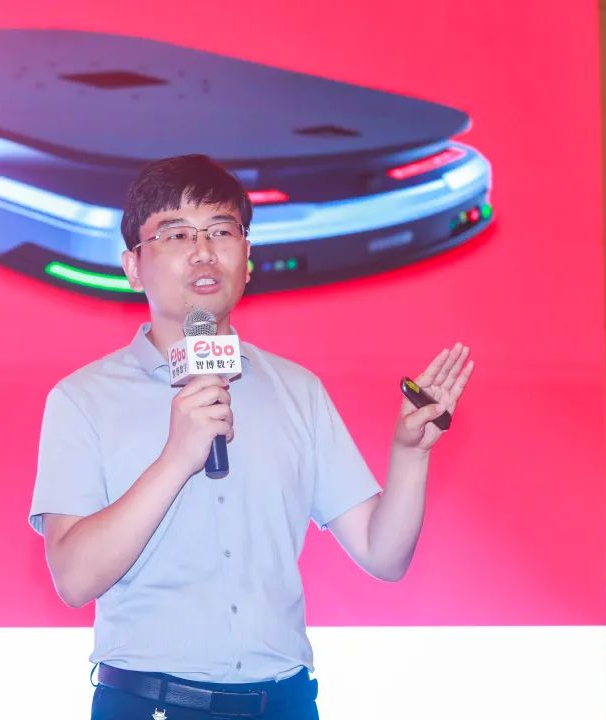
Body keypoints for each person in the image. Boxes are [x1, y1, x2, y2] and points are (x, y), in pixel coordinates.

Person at [28, 154, 473, 719]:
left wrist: (409, 455)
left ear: (247, 260)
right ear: (133, 267)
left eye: (221, 231)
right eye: (176, 234)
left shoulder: (298, 390)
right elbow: (73, 579)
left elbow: (383, 555)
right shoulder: (83, 399)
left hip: (283, 702)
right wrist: (176, 458)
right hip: (151, 703)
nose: (203, 251)